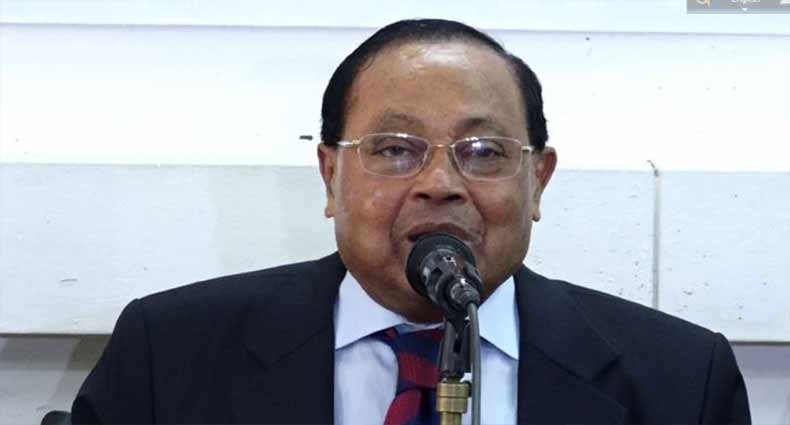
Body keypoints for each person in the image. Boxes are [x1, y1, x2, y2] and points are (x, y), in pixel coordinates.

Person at [72, 19, 750, 424]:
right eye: (396, 150)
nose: (440, 184)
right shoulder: (169, 354)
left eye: (483, 152)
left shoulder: (681, 381)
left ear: (537, 181)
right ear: (331, 176)